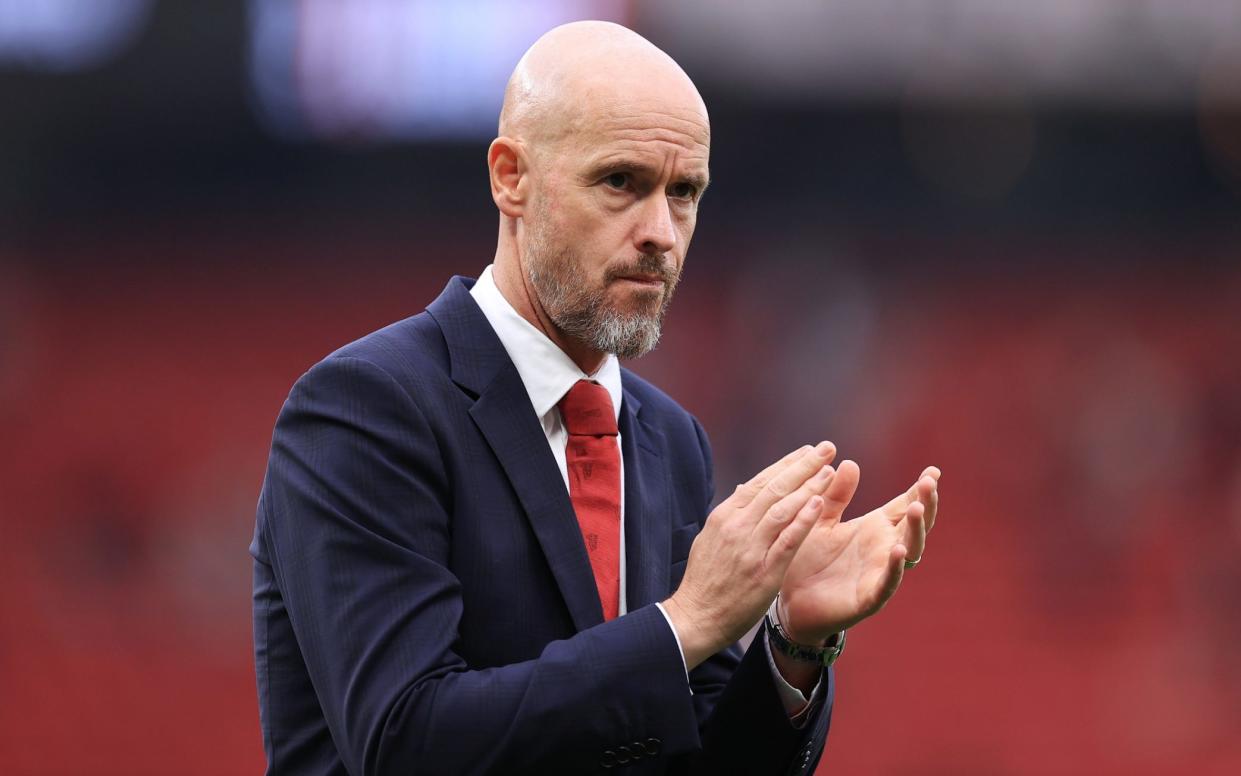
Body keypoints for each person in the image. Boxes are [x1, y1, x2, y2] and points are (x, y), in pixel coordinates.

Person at [251, 20, 940, 776]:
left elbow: (693, 753)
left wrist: (792, 643)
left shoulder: (668, 439)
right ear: (510, 177)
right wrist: (684, 624)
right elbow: (402, 743)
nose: (661, 233)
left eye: (684, 193)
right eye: (621, 182)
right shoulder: (367, 408)